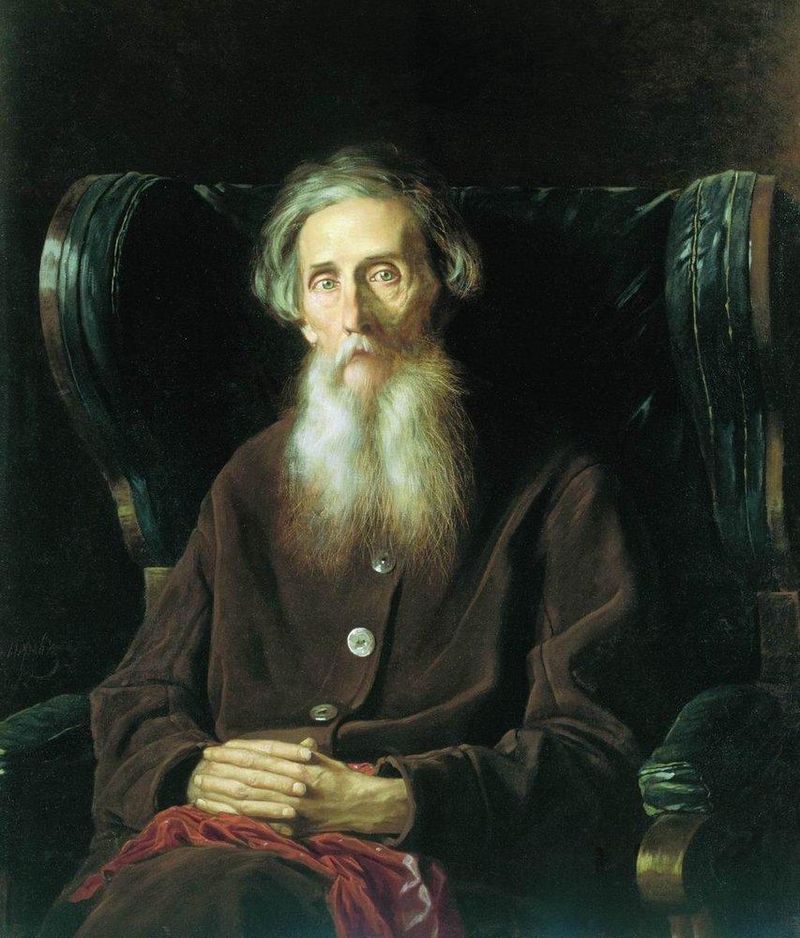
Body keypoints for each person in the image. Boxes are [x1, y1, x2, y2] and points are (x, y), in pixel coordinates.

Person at [43, 145, 660, 937]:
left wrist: (389, 801)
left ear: (441, 292)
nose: (355, 317)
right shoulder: (248, 482)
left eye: (384, 275)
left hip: (446, 874)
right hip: (219, 852)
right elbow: (140, 693)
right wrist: (194, 773)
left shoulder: (558, 486)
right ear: (301, 318)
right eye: (325, 283)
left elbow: (598, 751)